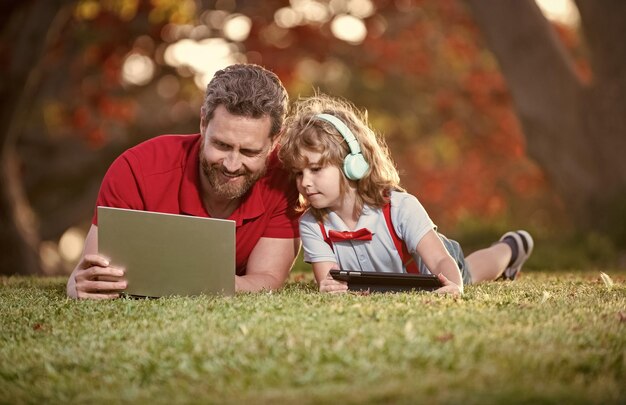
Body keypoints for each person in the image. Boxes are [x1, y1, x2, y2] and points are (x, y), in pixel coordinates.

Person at [67, 64, 301, 299]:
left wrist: (200, 283)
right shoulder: (136, 169)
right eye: (221, 145)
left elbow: (267, 279)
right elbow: (94, 274)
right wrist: (80, 286)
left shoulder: (284, 180)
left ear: (274, 141)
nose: (231, 164)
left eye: (249, 152)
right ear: (203, 123)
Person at [278, 95, 534, 294]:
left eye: (315, 169)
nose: (305, 182)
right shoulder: (311, 224)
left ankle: (511, 247)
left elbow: (439, 260)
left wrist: (453, 285)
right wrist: (329, 287)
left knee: (472, 273)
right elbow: (329, 279)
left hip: (435, 265)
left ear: (352, 164)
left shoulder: (400, 207)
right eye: (299, 173)